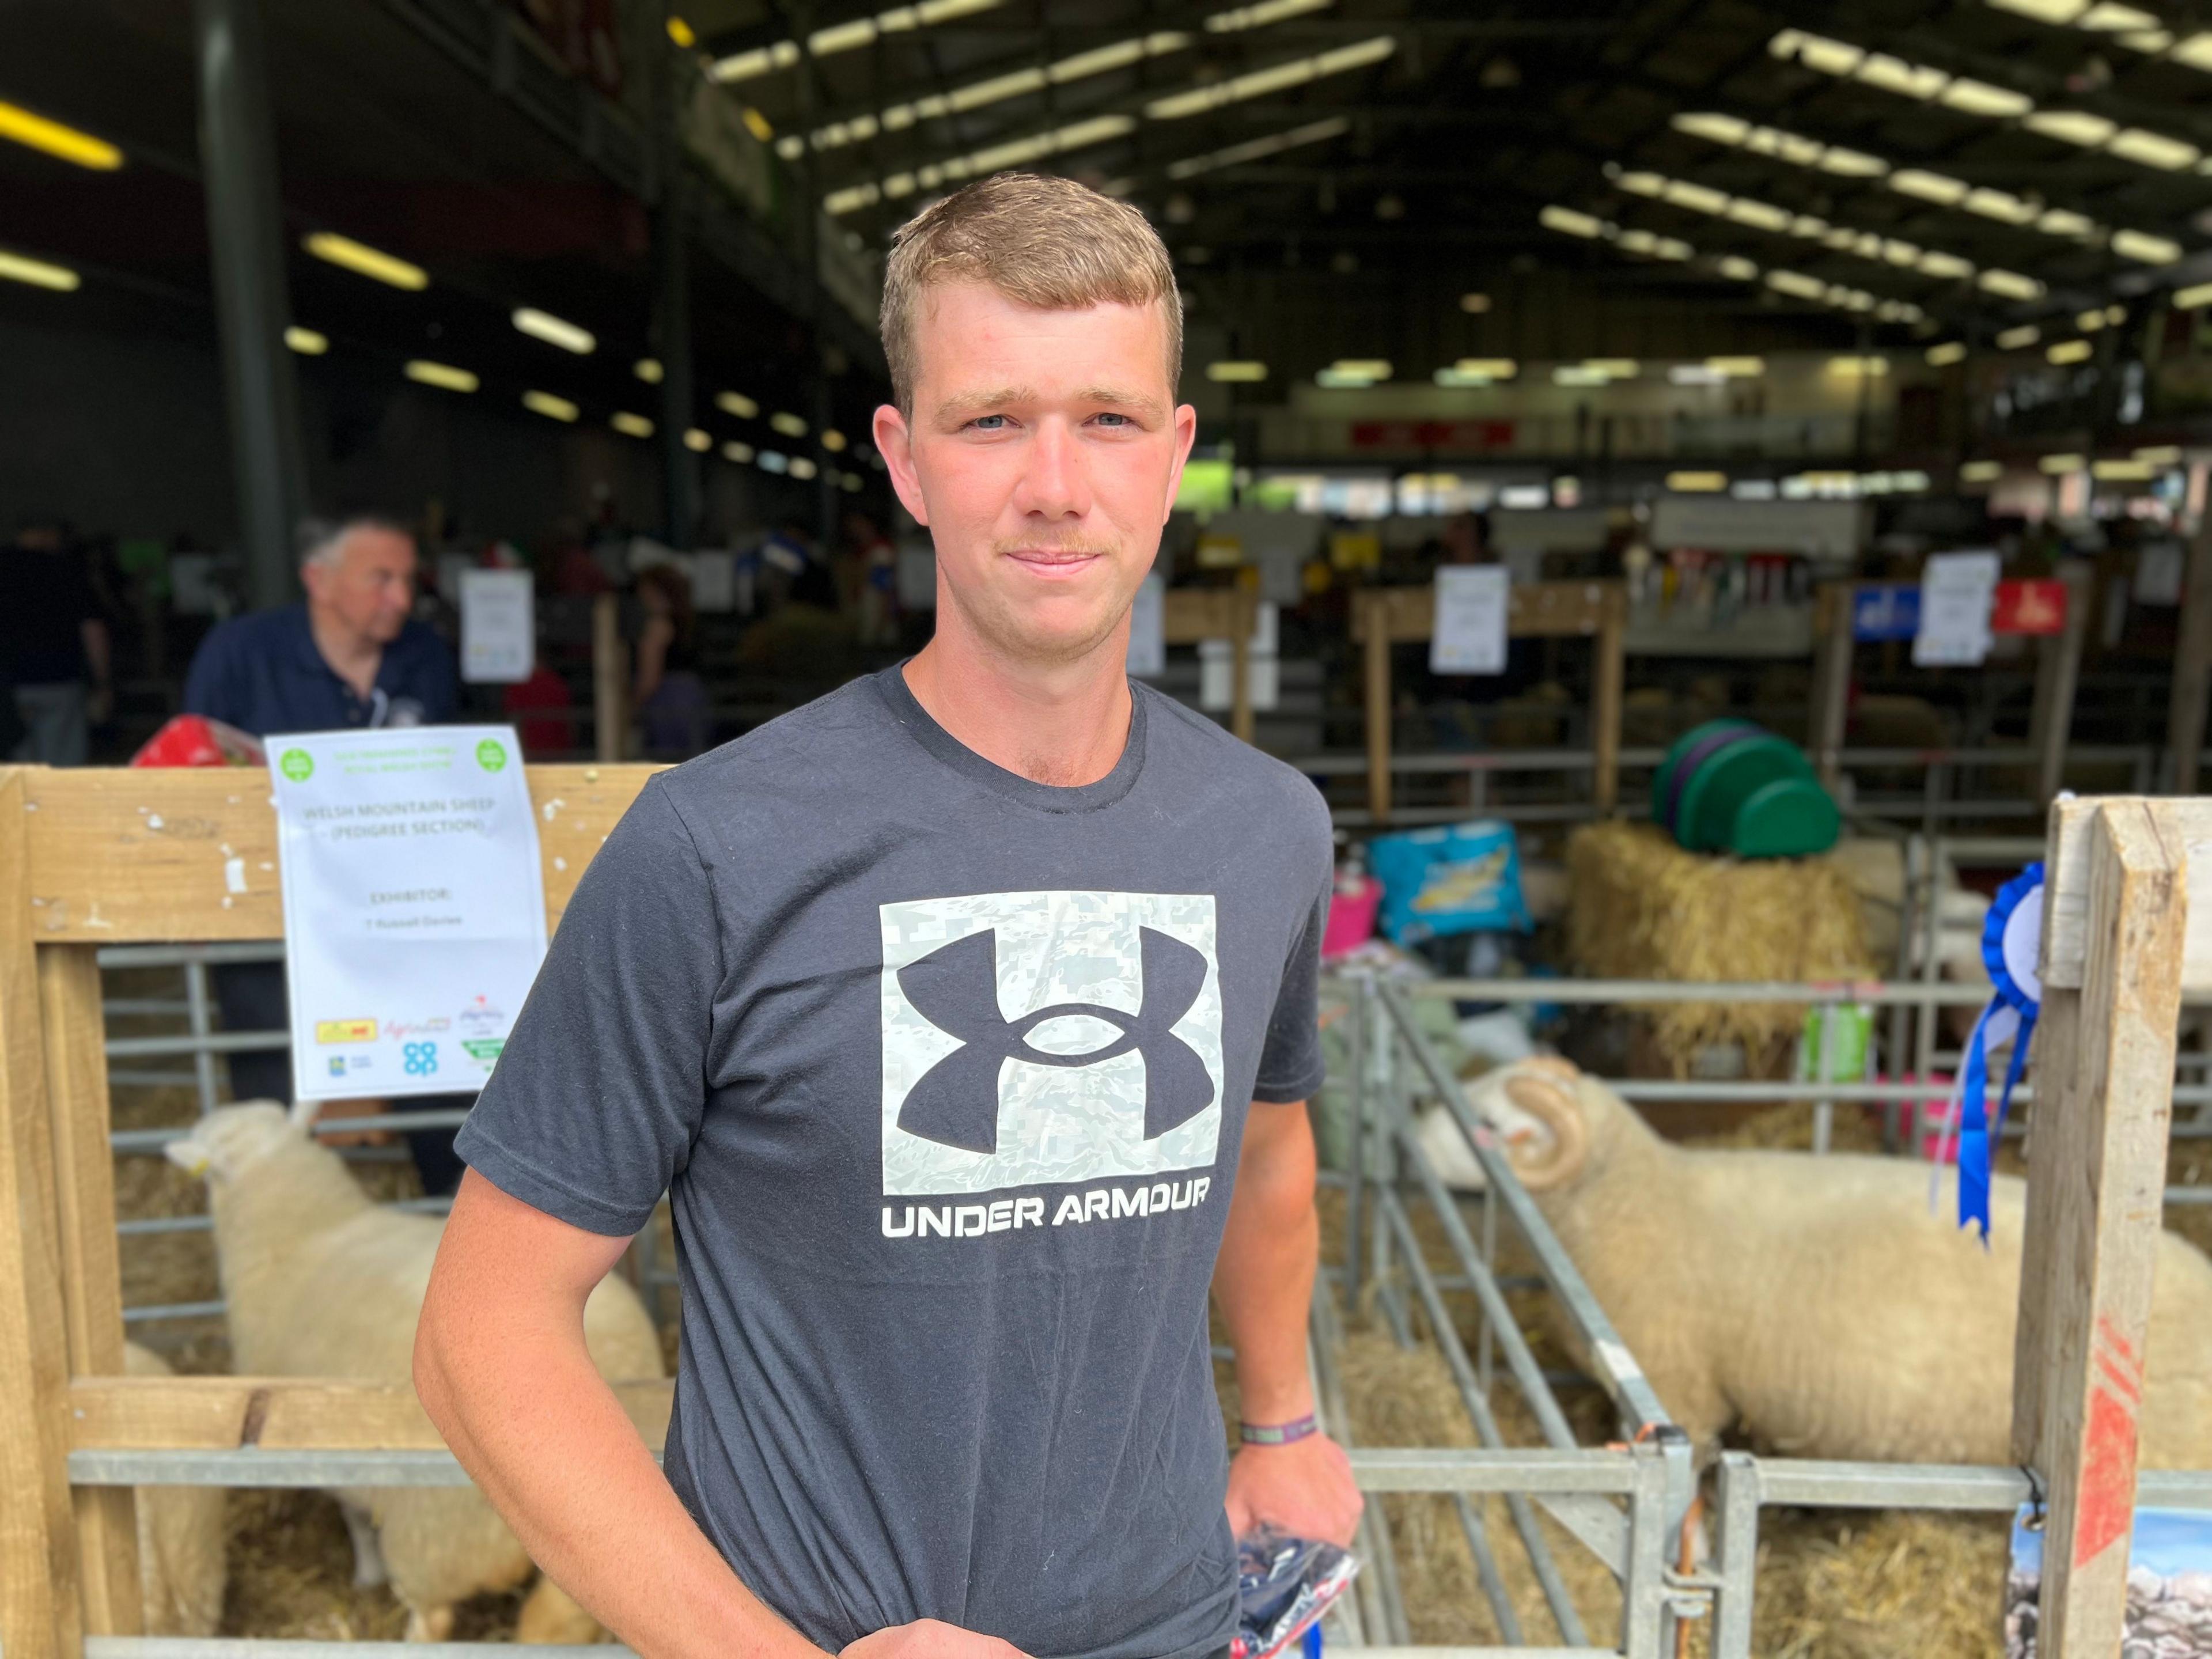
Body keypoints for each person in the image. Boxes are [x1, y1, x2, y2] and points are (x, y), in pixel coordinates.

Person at [416, 171, 1358, 1659]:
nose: (1056, 482)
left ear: (1175, 457)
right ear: (907, 460)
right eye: (993, 421)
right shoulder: (716, 848)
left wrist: (1284, 1415)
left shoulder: (1262, 829)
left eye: (1108, 420)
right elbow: (482, 1339)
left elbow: (1267, 1144)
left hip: (1174, 1620)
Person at [182, 516, 472, 1194]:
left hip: (404, 913)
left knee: (437, 1076)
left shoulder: (424, 655)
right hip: (275, 918)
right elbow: (197, 771)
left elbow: (455, 770)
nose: (401, 597)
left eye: (407, 579)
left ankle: (455, 1235)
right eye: (382, 578)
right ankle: (283, 1231)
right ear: (319, 579)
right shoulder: (239, 653)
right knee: (272, 1088)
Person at [2, 520, 112, 764]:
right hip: (61, 680)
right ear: (50, 535)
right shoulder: (67, 569)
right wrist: (102, 681)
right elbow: (93, 629)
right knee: (62, 766)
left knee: (16, 768)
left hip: (11, 683)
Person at [631, 562, 710, 756]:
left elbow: (650, 678)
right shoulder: (690, 622)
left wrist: (632, 706)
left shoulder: (658, 625)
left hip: (668, 701)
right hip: (694, 697)